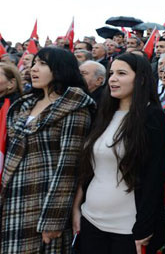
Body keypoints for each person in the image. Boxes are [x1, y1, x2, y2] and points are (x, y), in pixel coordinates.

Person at [1, 47, 95, 253]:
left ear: (60, 69)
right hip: (13, 196)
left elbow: (68, 167)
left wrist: (53, 219)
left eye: (43, 64)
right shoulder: (24, 105)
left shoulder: (75, 106)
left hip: (44, 202)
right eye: (34, 63)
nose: (34, 69)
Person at [73, 53, 165, 254]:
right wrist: (76, 208)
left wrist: (144, 225)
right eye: (111, 73)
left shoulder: (153, 116)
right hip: (90, 219)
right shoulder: (103, 113)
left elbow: (155, 175)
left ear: (141, 78)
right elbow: (90, 167)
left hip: (128, 228)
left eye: (121, 73)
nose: (113, 79)